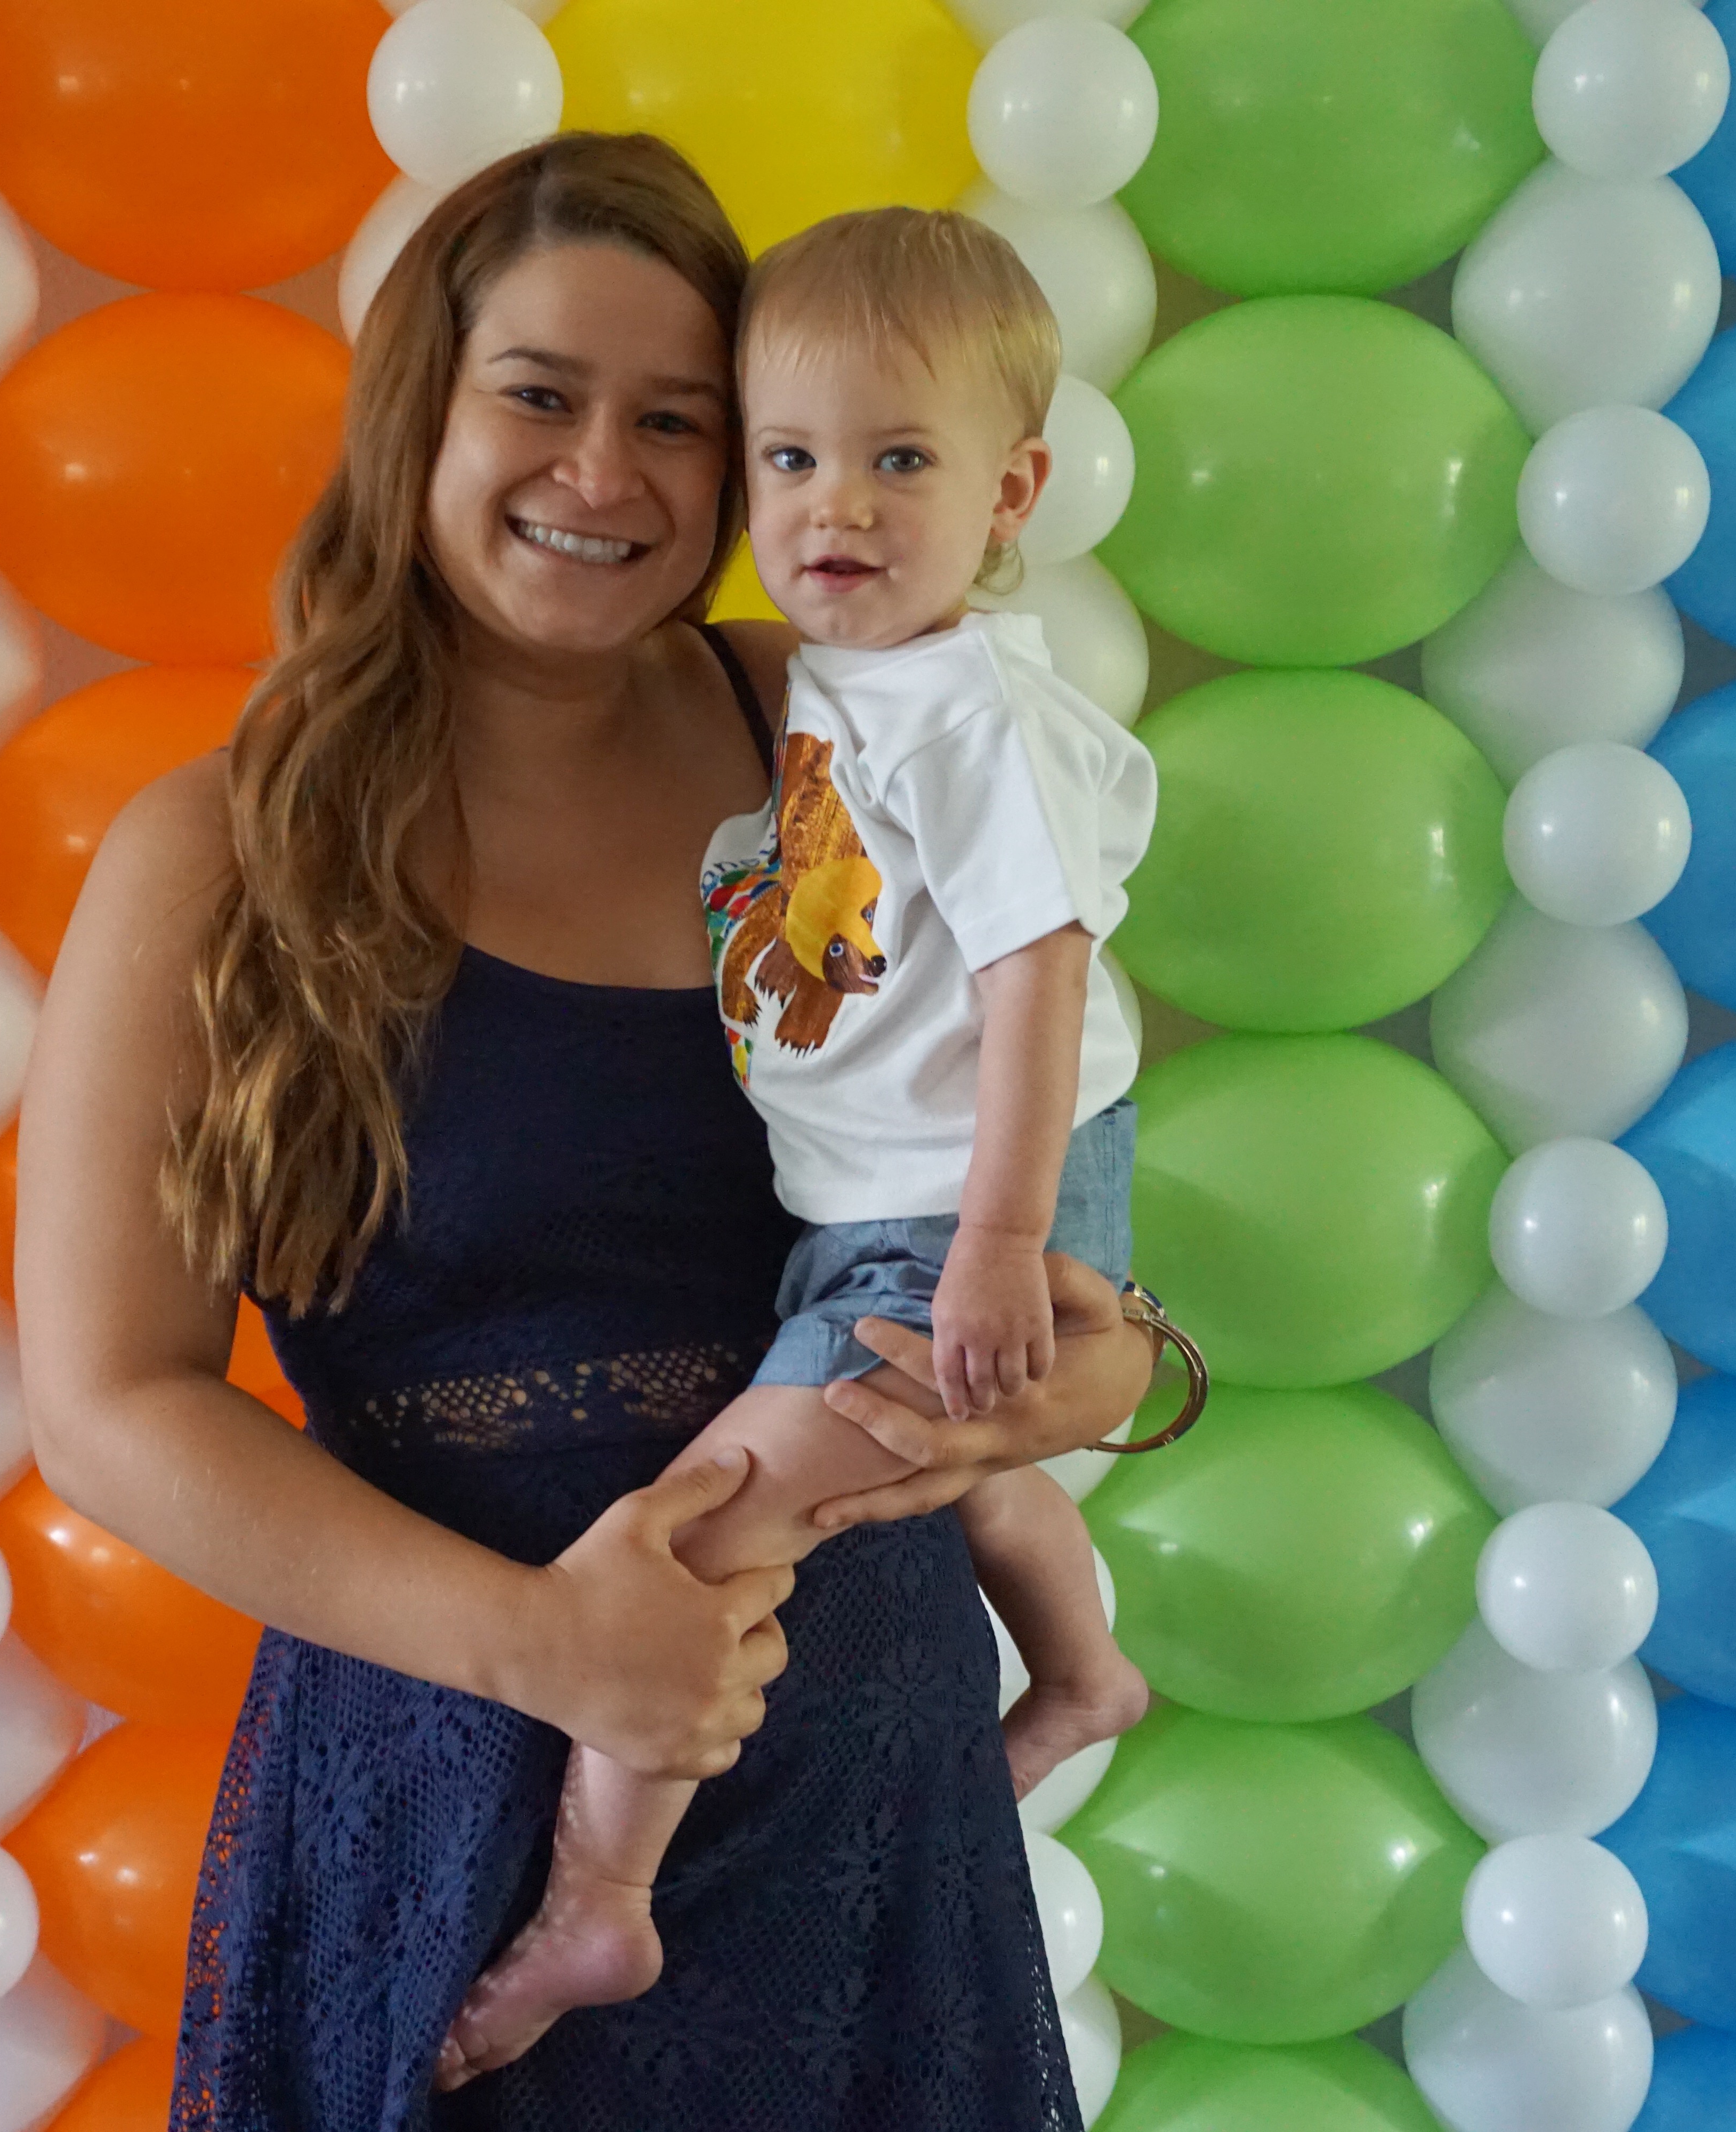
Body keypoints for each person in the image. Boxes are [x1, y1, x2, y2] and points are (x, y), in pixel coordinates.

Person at [14, 132, 1157, 2131]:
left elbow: (1035, 1151)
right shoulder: (221, 851)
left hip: (865, 1795)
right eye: (540, 396)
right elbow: (111, 1404)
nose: (604, 474)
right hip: (455, 1795)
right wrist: (547, 1647)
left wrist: (1111, 1366)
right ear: (420, 415)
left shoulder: (836, 726)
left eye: (677, 420)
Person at [438, 206, 1159, 2089]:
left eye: (900, 461)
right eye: (791, 457)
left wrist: (999, 1243)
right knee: (953, 1469)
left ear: (1012, 494)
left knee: (698, 1537)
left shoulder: (964, 706)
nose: (835, 506)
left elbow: (1038, 973)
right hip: (883, 1207)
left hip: (949, 1203)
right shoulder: (830, 678)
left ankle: (602, 1894)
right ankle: (1086, 1674)